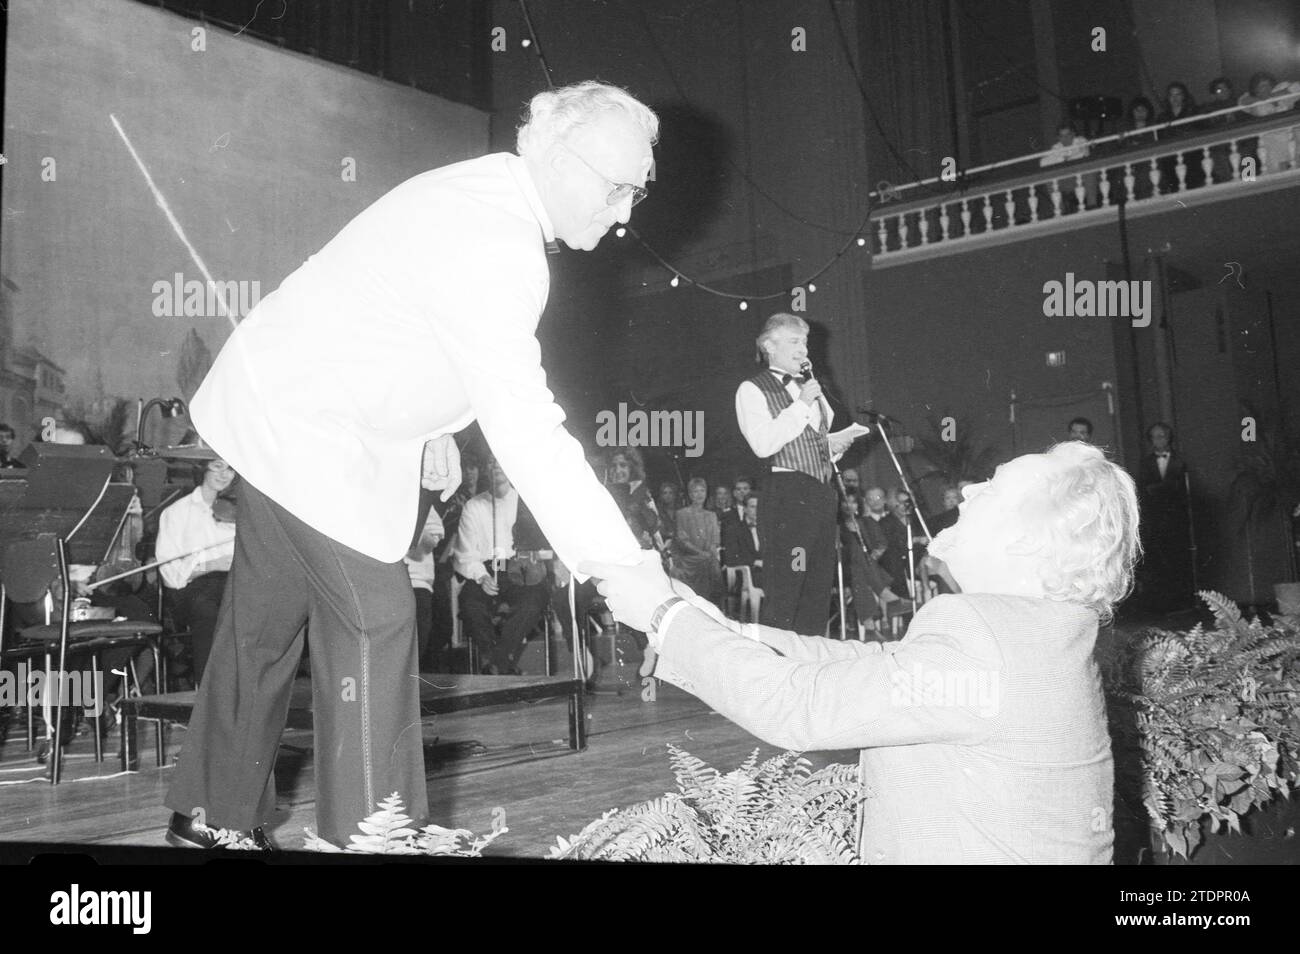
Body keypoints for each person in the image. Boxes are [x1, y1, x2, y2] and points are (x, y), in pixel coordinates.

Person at [163, 80, 658, 850]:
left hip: (268, 402)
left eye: (638, 192)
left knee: (262, 623)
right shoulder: (501, 243)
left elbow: (395, 323)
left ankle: (212, 810)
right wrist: (620, 563)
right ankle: (373, 840)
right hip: (304, 429)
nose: (626, 213)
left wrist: (430, 429)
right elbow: (528, 428)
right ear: (559, 154)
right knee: (377, 622)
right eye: (618, 187)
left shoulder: (480, 188)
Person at [582, 441, 1140, 863]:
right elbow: (872, 666)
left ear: (1025, 539)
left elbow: (796, 707)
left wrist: (663, 614)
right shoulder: (1034, 634)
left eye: (990, 488)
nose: (967, 491)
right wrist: (720, 627)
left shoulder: (985, 638)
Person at [734, 312, 865, 635]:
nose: (803, 349)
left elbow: (811, 442)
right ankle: (776, 669)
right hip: (787, 494)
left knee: (817, 587)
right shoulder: (752, 389)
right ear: (769, 346)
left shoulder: (809, 389)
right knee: (787, 587)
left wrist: (836, 446)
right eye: (794, 341)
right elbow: (764, 444)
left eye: (805, 342)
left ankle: (810, 667)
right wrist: (803, 403)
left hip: (820, 493)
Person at [452, 459, 553, 674]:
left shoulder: (526, 501)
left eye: (501, 461)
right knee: (469, 602)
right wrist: (481, 576)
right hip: (487, 570)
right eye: (491, 462)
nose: (497, 466)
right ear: (486, 469)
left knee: (535, 597)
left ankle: (496, 661)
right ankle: (501, 662)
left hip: (522, 570)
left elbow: (546, 545)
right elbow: (466, 553)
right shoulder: (473, 506)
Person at [156, 458, 238, 686]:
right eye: (217, 466)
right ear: (202, 468)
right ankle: (207, 691)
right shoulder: (177, 512)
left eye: (230, 468)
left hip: (232, 586)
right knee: (210, 607)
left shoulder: (239, 512)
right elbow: (171, 576)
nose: (224, 474)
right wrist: (211, 564)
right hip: (190, 591)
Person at [1135, 423, 1191, 610]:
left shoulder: (1181, 461)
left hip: (1177, 520)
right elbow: (1143, 489)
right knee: (1157, 562)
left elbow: (1180, 489)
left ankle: (1181, 603)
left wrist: (1159, 489)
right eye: (1154, 437)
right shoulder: (1145, 463)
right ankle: (1159, 605)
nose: (1158, 441)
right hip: (1154, 521)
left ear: (1169, 438)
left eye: (1162, 436)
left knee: (1178, 560)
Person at [671, 477, 722, 604]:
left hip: (706, 558)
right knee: (709, 563)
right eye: (695, 491)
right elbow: (683, 541)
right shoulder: (682, 513)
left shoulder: (711, 515)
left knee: (712, 563)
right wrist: (701, 553)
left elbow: (714, 542)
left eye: (702, 491)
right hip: (689, 559)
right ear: (690, 494)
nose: (699, 495)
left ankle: (714, 604)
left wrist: (710, 553)